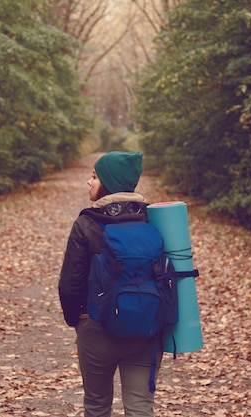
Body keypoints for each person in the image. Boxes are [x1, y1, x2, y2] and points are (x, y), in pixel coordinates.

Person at [58, 151, 162, 417]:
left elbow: (70, 283)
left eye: (94, 176)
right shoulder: (154, 219)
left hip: (96, 327)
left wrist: (78, 321)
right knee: (140, 408)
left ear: (108, 182)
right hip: (146, 329)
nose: (89, 182)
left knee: (96, 406)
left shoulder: (86, 223)